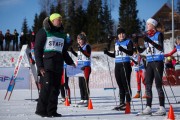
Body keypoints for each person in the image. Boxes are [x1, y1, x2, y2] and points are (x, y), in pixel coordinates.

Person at [34, 13, 75, 117]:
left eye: (61, 19)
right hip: (46, 66)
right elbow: (37, 50)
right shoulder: (43, 31)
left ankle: (52, 111)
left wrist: (70, 62)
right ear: (52, 21)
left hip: (58, 65)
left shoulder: (62, 34)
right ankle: (41, 111)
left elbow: (64, 51)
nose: (61, 21)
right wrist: (40, 66)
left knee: (55, 89)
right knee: (46, 88)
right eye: (58, 19)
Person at [137, 18, 166, 115]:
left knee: (158, 84)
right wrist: (136, 43)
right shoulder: (147, 36)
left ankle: (162, 107)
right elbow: (142, 51)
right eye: (146, 24)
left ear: (153, 25)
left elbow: (160, 48)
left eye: (148, 24)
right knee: (148, 84)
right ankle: (148, 107)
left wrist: (149, 40)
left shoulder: (159, 35)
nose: (147, 26)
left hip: (158, 61)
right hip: (149, 62)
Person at [104, 27, 133, 111]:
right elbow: (115, 55)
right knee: (120, 85)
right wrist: (107, 53)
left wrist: (123, 49)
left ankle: (128, 103)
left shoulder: (128, 41)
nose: (121, 35)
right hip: (118, 65)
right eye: (119, 34)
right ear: (117, 35)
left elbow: (131, 52)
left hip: (125, 64)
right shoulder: (116, 43)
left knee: (126, 85)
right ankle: (121, 103)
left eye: (123, 33)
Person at [70, 32, 91, 106]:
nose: (79, 41)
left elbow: (87, 55)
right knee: (80, 84)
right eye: (78, 39)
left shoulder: (87, 46)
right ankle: (82, 98)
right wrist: (72, 51)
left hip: (86, 67)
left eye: (80, 39)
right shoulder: (79, 47)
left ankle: (87, 99)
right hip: (79, 67)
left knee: (85, 84)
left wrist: (81, 50)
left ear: (84, 40)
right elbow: (79, 56)